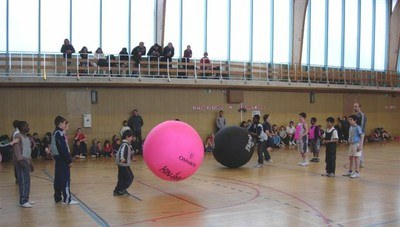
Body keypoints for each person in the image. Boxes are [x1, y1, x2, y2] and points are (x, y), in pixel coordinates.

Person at [52, 116, 79, 205]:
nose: (65, 125)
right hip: (62, 160)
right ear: (60, 124)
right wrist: (69, 160)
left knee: (58, 179)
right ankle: (67, 199)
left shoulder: (55, 133)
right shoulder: (59, 133)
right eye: (64, 123)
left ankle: (57, 197)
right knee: (65, 179)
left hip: (58, 160)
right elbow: (63, 149)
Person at [12, 121, 35, 208]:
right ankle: (22, 200)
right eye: (26, 126)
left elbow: (28, 151)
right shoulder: (18, 136)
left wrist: (31, 164)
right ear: (22, 128)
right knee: (23, 181)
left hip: (27, 162)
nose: (28, 127)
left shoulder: (26, 137)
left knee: (27, 181)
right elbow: (17, 150)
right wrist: (20, 161)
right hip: (21, 162)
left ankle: (26, 198)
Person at [114, 129, 135, 196]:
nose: (132, 138)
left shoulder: (127, 144)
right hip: (123, 164)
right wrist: (122, 160)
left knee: (121, 178)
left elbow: (128, 153)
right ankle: (122, 189)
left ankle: (117, 191)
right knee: (130, 177)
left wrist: (132, 158)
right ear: (126, 137)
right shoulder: (125, 145)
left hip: (123, 164)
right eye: (131, 137)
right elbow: (122, 153)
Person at [353, 102, 367, 168]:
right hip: (355, 134)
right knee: (356, 147)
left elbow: (361, 126)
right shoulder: (356, 115)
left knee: (359, 147)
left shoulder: (362, 115)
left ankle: (361, 162)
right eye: (354, 106)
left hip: (360, 134)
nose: (354, 108)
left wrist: (360, 134)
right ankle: (359, 161)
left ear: (359, 107)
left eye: (356, 106)